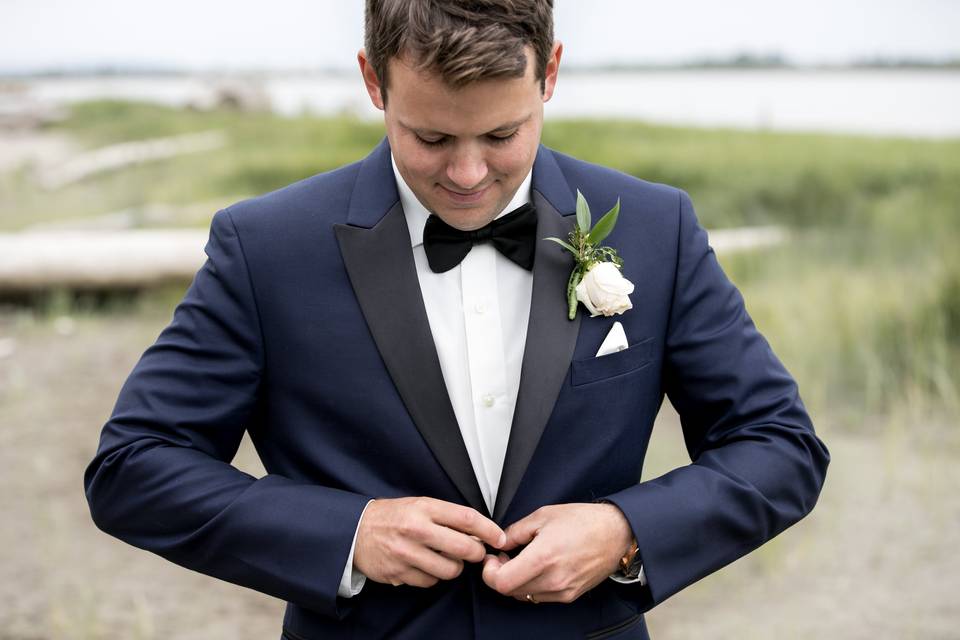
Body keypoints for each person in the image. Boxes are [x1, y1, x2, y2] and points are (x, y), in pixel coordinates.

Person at [83, 1, 830, 638]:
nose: (468, 175)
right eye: (432, 138)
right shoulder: (264, 247)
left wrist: (624, 532)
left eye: (503, 136)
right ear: (373, 80)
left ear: (552, 72)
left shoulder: (656, 227)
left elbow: (780, 446)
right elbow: (133, 467)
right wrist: (349, 534)